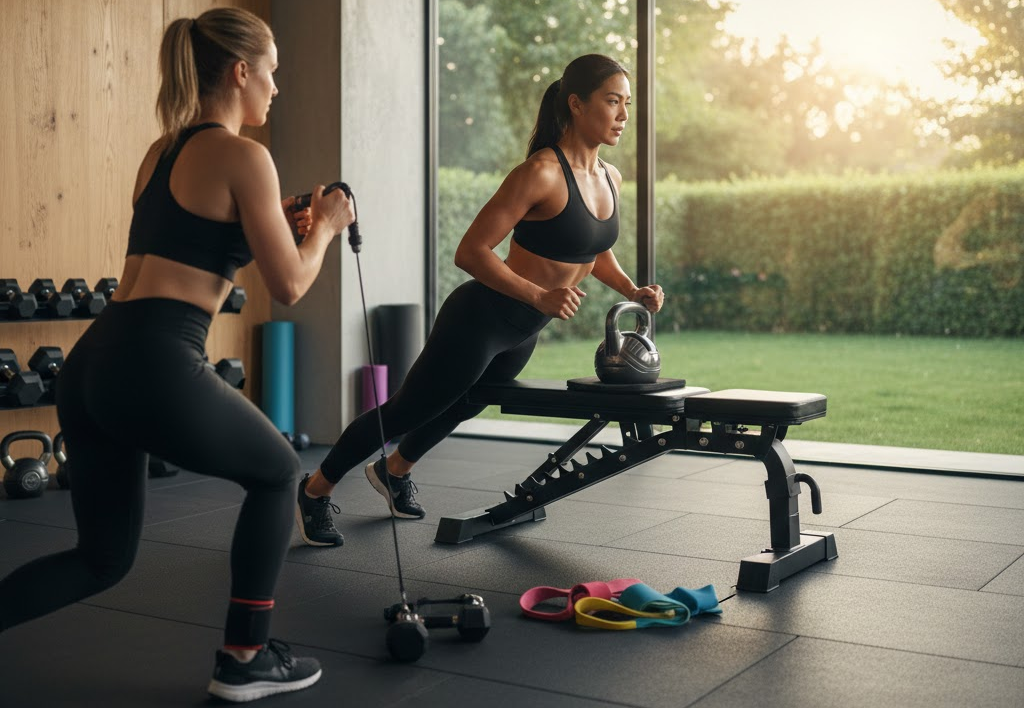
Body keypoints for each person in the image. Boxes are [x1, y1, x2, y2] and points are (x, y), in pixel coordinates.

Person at [0, 7, 353, 703]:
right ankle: (245, 658)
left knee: (101, 560)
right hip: (156, 358)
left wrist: (276, 219)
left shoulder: (161, 152)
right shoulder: (246, 154)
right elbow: (288, 283)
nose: (276, 89)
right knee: (281, 473)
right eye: (273, 73)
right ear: (242, 71)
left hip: (96, 359)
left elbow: (193, 241)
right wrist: (328, 229)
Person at [296, 54, 664, 544]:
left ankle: (394, 471)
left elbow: (593, 250)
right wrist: (540, 294)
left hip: (524, 330)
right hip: (482, 317)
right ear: (576, 104)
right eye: (612, 101)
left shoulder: (609, 178)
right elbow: (469, 251)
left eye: (627, 104)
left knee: (463, 405)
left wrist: (631, 289)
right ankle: (316, 491)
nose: (622, 115)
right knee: (406, 411)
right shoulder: (540, 172)